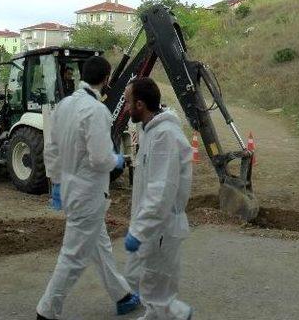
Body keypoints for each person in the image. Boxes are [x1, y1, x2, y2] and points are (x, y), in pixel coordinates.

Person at [37, 56, 140, 320]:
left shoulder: (64, 106)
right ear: (106, 80)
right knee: (72, 256)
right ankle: (46, 311)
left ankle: (123, 296)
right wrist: (119, 159)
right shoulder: (97, 112)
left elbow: (52, 148)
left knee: (100, 245)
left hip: (71, 189)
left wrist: (58, 183)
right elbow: (100, 159)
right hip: (89, 193)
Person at [123, 78, 193, 320]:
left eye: (128, 102)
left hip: (160, 228)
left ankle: (177, 314)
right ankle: (177, 313)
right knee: (152, 289)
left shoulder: (164, 136)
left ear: (140, 105)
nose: (125, 108)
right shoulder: (151, 132)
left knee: (157, 290)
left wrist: (139, 230)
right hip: (155, 227)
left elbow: (160, 191)